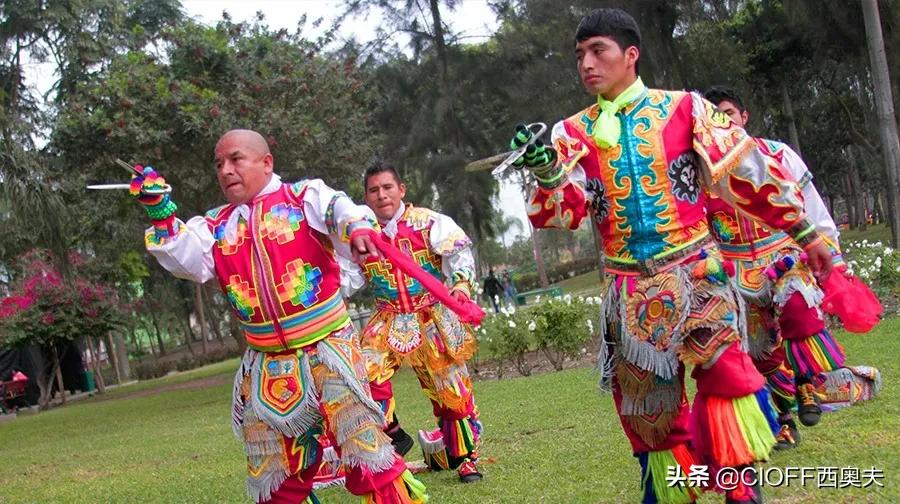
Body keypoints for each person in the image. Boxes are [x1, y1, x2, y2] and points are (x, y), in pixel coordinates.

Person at [509, 8, 835, 503]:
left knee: (727, 380)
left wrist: (805, 231)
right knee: (650, 414)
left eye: (599, 51)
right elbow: (563, 213)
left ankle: (741, 492)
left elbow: (745, 170)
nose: (587, 64)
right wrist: (547, 171)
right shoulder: (570, 133)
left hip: (698, 274)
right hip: (630, 292)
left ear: (631, 55)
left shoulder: (685, 109)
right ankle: (671, 493)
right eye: (580, 56)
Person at [135, 130, 427, 504]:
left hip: (328, 349)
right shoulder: (215, 224)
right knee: (274, 473)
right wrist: (162, 213)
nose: (225, 170)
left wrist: (356, 229)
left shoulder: (304, 197)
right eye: (219, 164)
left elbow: (342, 210)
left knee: (366, 454)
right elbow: (188, 259)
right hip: (267, 362)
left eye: (235, 160)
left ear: (266, 162)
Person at [704, 85, 881, 448]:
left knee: (800, 313)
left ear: (743, 117)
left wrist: (832, 257)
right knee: (762, 353)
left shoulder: (777, 154)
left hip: (787, 257)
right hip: (737, 273)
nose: (723, 123)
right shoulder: (704, 175)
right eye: (714, 117)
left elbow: (811, 208)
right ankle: (783, 421)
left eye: (728, 115)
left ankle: (806, 384)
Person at [351, 162, 483, 483]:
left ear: (402, 189)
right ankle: (394, 435)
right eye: (374, 190)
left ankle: (465, 458)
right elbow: (348, 277)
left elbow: (460, 258)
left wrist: (462, 286)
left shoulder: (431, 222)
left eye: (387, 187)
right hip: (387, 318)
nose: (381, 195)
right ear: (366, 197)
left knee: (450, 387)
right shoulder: (360, 234)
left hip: (431, 314)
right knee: (361, 378)